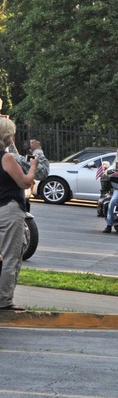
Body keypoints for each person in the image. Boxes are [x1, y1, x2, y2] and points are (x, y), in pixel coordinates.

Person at [0, 117, 38, 311]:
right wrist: (33, 168)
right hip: (8, 209)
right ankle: (4, 301)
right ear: (6, 136)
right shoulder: (6, 158)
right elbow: (24, 183)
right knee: (11, 256)